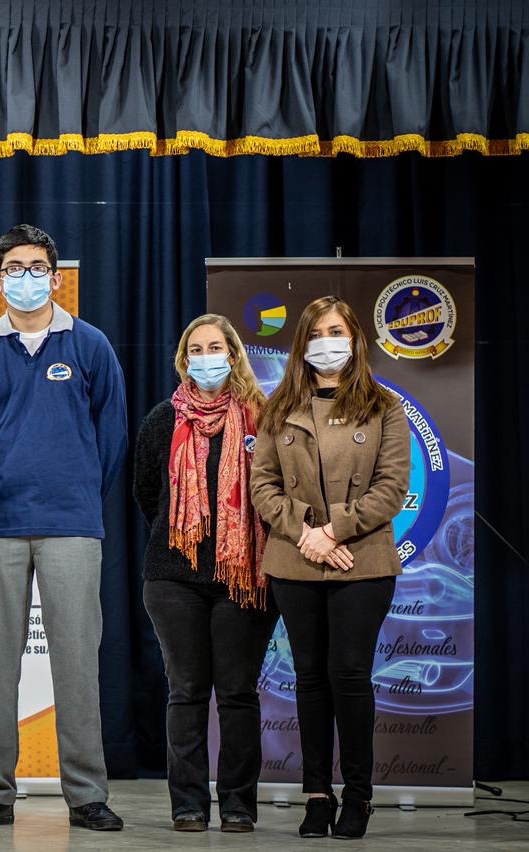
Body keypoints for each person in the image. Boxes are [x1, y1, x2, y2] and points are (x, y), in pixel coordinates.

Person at [0, 224, 128, 831]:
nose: (27, 277)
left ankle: (86, 794)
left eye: (38, 267)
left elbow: (111, 437)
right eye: (15, 268)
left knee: (77, 662)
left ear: (55, 276)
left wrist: (75, 493)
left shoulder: (91, 345)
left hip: (72, 526)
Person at [250, 296, 409, 840]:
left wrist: (332, 531)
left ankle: (359, 798)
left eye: (336, 330)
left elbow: (391, 490)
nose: (326, 341)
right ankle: (317, 795)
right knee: (310, 680)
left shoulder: (386, 406)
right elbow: (262, 486)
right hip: (295, 561)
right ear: (302, 343)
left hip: (363, 561)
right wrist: (306, 535)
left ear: (355, 337)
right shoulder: (277, 408)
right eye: (316, 332)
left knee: (349, 675)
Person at [133, 314, 278, 833]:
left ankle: (239, 804)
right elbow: (148, 494)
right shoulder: (160, 421)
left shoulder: (266, 419)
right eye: (196, 348)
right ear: (183, 359)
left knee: (237, 691)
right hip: (173, 577)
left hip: (245, 575)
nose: (206, 356)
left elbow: (279, 492)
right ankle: (188, 804)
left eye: (216, 346)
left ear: (234, 355)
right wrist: (190, 538)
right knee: (187, 690)